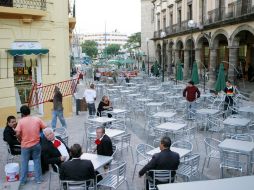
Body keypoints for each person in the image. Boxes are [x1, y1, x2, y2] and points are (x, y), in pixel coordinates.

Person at [15, 105, 47, 185]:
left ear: (22, 113)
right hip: (36, 144)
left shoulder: (21, 121)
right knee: (37, 161)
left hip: (25, 146)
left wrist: (20, 139)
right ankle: (38, 179)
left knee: (24, 163)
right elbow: (45, 127)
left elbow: (17, 133)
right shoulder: (37, 119)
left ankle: (23, 181)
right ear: (29, 111)